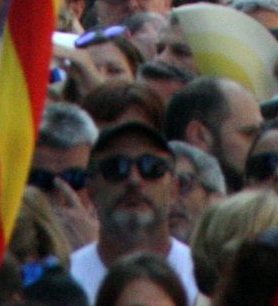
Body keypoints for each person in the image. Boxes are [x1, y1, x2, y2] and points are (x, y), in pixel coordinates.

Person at [69, 119, 198, 299]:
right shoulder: (66, 283)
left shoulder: (203, 280)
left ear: (174, 189)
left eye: (151, 167)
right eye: (115, 168)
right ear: (91, 190)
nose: (134, 180)